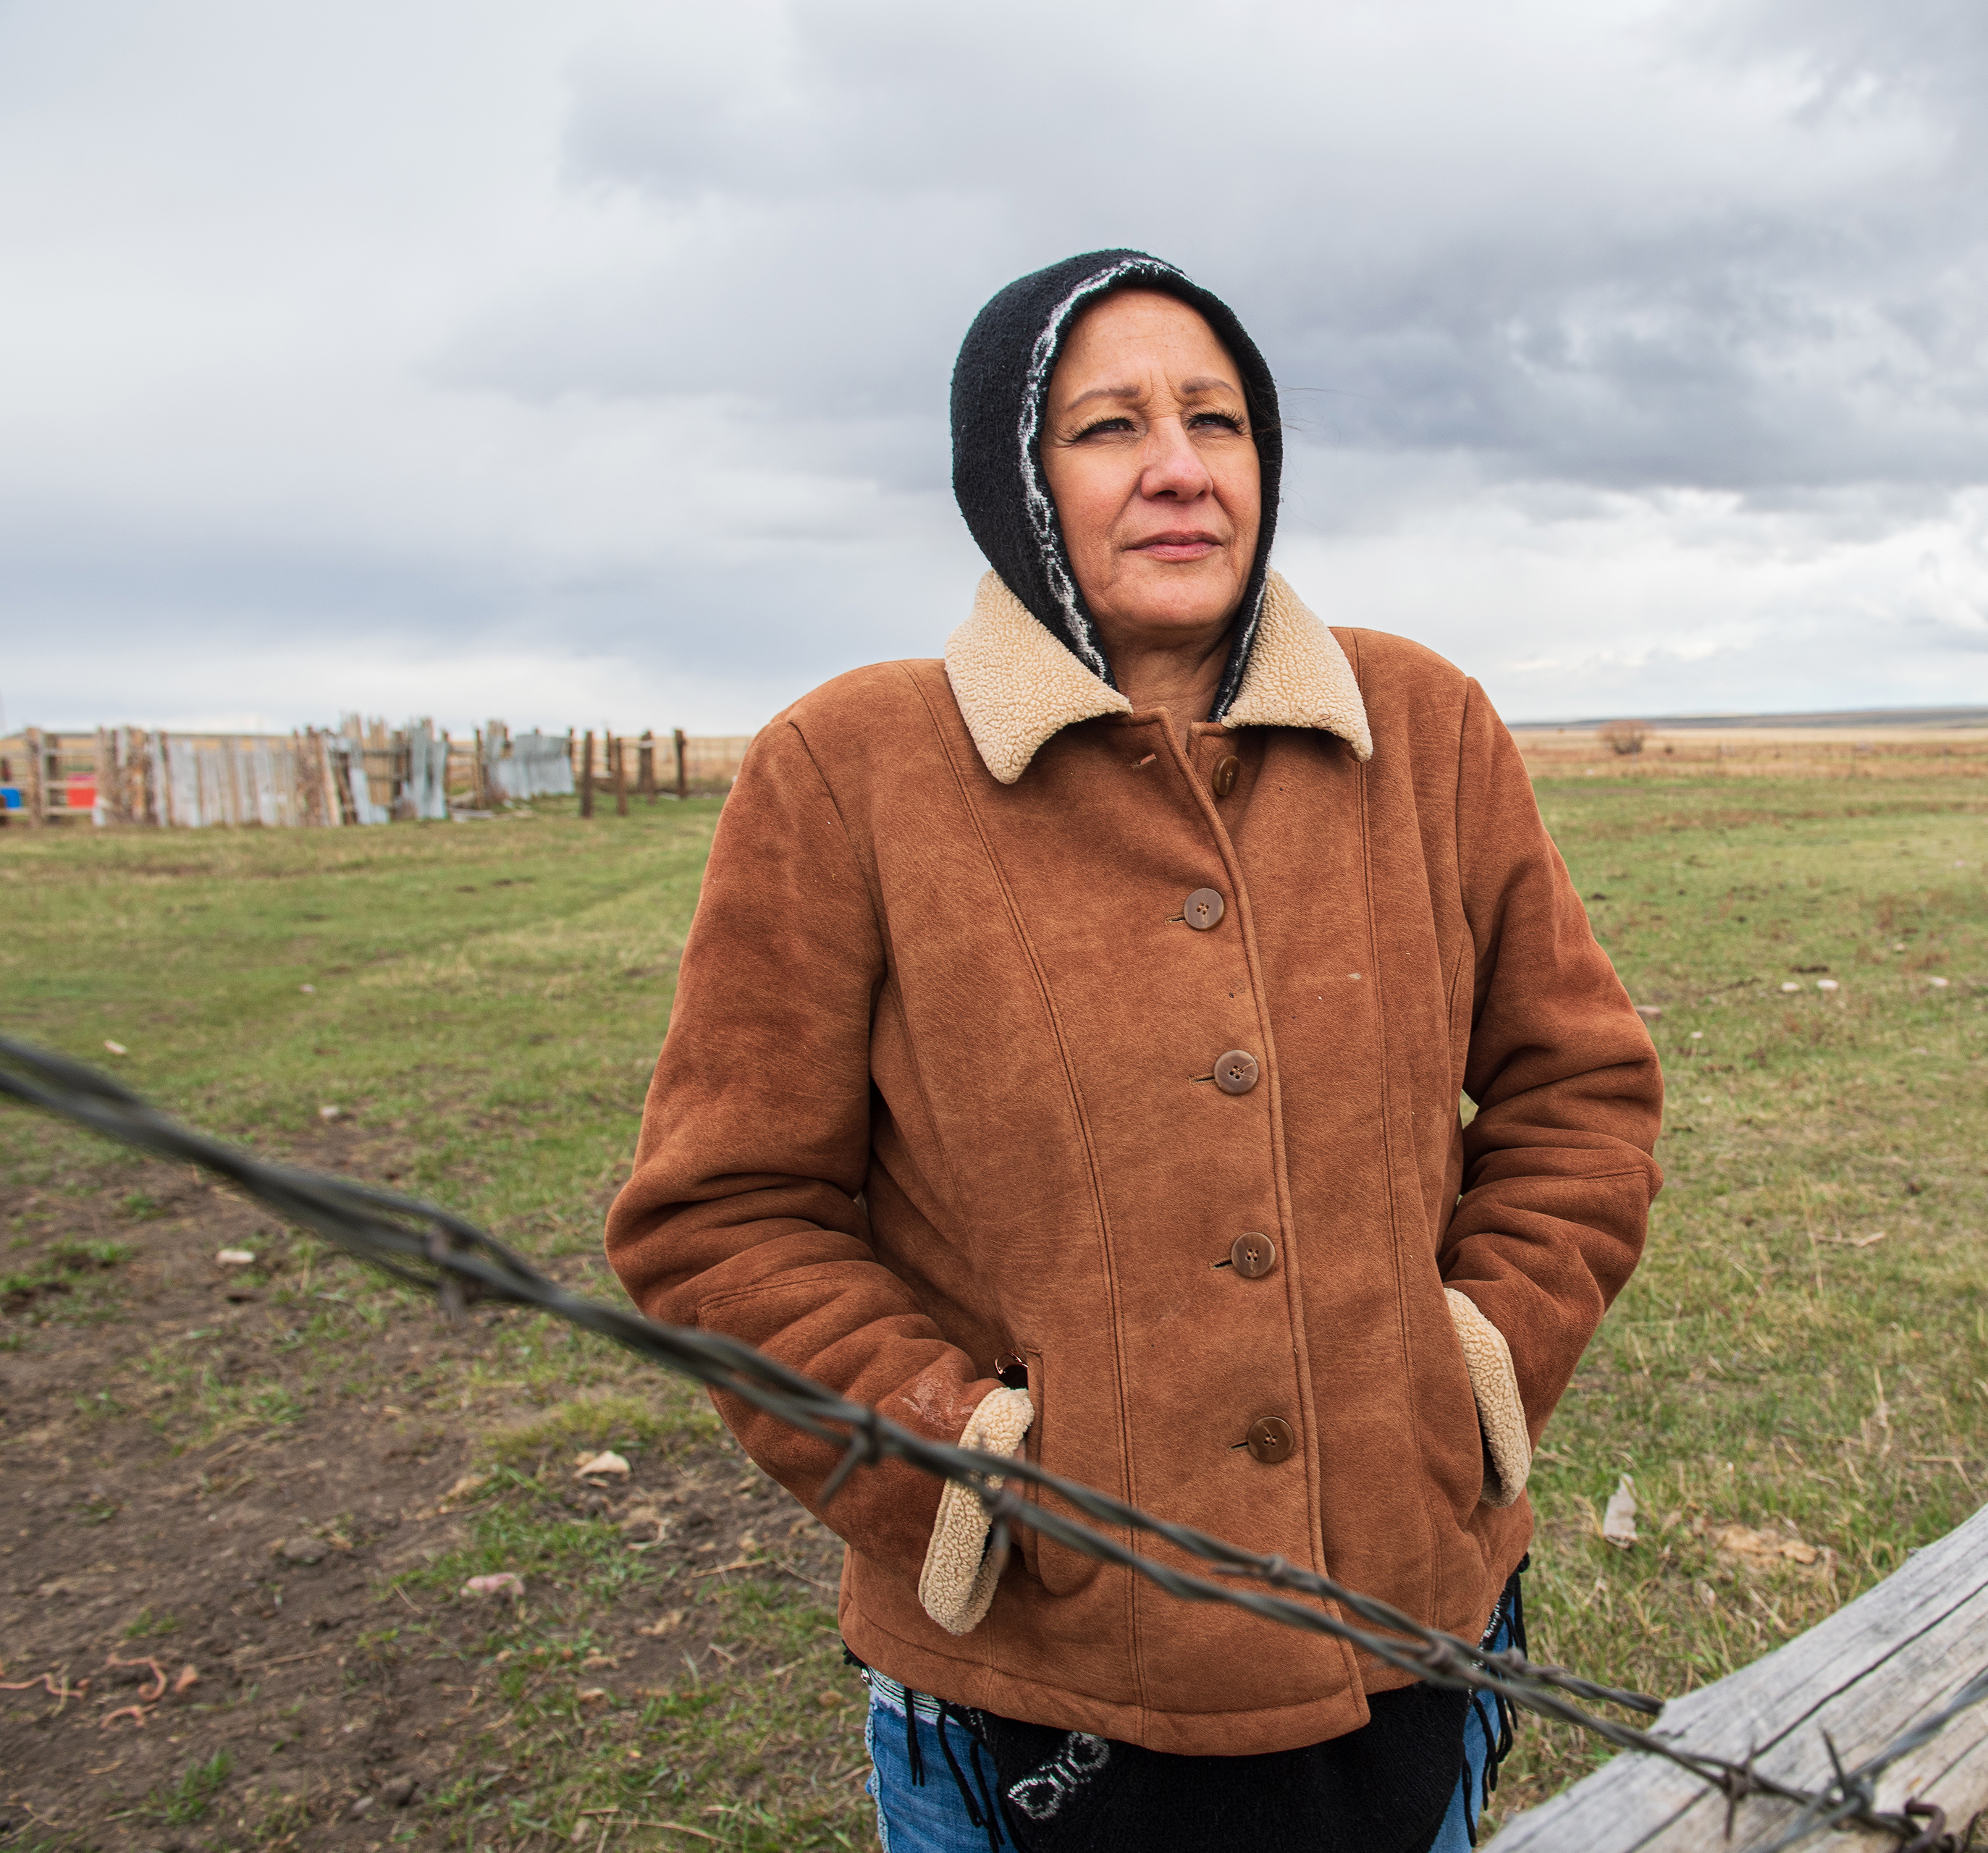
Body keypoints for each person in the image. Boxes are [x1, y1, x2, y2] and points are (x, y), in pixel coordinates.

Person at [605, 249, 1664, 1852]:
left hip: (1411, 1621)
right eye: (1108, 425)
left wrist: (1474, 1370)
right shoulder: (849, 769)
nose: (1179, 466)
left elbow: (1578, 1091)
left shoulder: (1427, 727)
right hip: (1033, 1693)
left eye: (1217, 420)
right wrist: (967, 1477)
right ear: (1011, 478)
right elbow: (720, 1217)